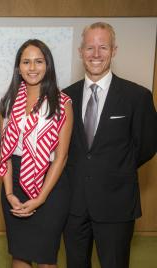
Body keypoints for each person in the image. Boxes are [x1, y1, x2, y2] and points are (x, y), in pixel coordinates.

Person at [63, 22, 157, 268]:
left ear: (114, 50)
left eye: (103, 47)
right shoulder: (64, 97)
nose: (96, 54)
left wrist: (114, 169)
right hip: (73, 205)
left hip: (116, 204)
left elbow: (147, 146)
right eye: (90, 47)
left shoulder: (138, 97)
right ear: (80, 51)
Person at [0, 39, 73, 268]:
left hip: (50, 185)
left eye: (38, 61)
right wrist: (9, 193)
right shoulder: (9, 102)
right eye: (26, 62)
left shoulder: (62, 102)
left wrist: (40, 198)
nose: (32, 68)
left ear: (47, 65)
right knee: (19, 255)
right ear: (18, 67)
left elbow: (61, 157)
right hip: (14, 181)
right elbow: (5, 153)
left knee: (45, 256)